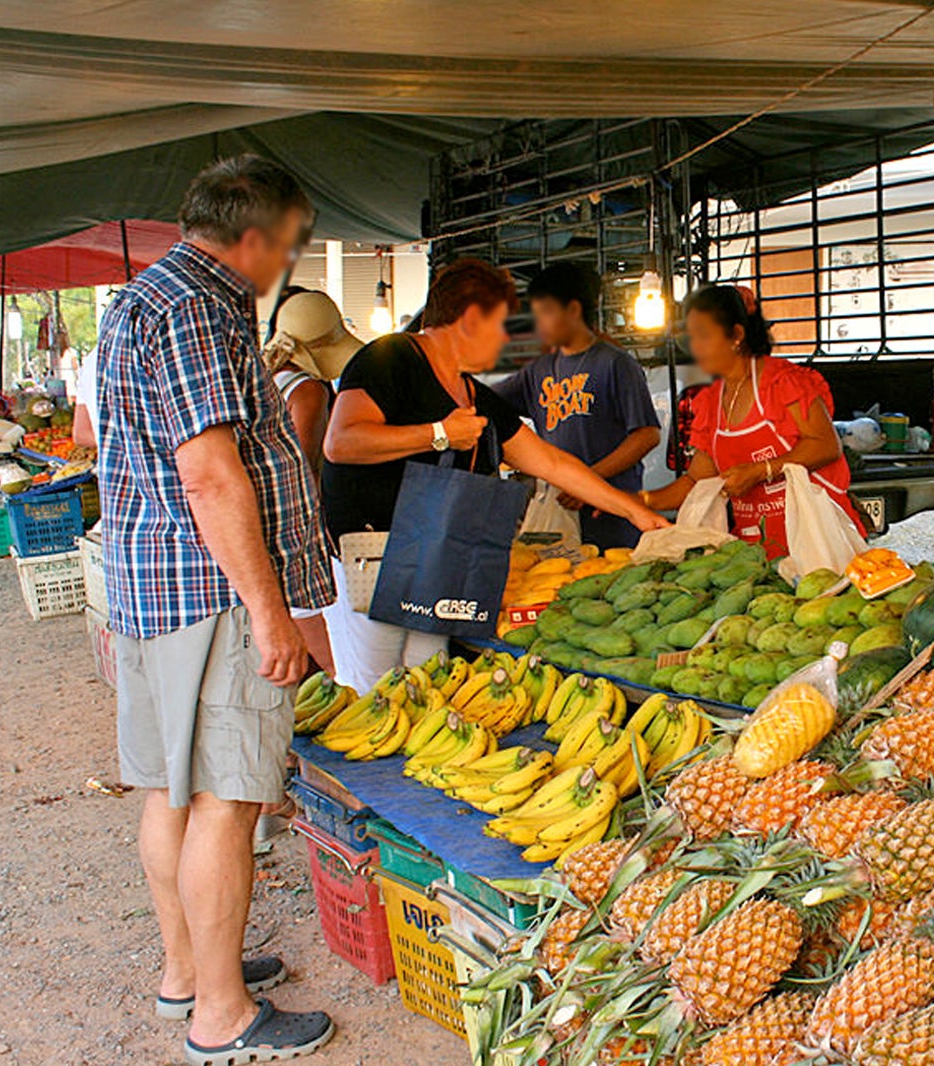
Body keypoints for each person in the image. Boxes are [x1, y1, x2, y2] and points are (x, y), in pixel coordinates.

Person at [95, 155, 335, 1065]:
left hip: (152, 586)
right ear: (254, 237)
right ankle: (223, 1018)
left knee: (169, 789)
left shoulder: (141, 295)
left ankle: (188, 971)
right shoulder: (199, 307)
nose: (285, 264)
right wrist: (270, 613)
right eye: (288, 244)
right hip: (213, 593)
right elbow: (209, 471)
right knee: (229, 801)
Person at [321, 258, 668, 688]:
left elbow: (551, 462)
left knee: (427, 684)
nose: (506, 338)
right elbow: (342, 443)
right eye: (501, 324)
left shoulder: (477, 396)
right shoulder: (388, 359)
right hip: (373, 560)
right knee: (372, 691)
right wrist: (439, 433)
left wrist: (634, 511)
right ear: (470, 319)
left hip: (435, 564)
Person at [643, 284, 863, 559]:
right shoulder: (711, 400)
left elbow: (826, 445)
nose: (696, 348)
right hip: (757, 554)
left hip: (819, 546)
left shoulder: (783, 382)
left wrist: (761, 471)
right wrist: (640, 501)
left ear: (736, 335)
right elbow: (697, 480)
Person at [495, 262, 661, 549]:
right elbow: (488, 401)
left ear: (573, 310)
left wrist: (588, 482)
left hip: (613, 515)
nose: (539, 324)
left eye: (546, 312)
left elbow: (647, 435)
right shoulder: (538, 368)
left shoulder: (615, 364)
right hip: (560, 513)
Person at [261, 287, 362, 676]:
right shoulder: (307, 390)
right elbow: (302, 467)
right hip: (297, 532)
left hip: (265, 529)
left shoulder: (267, 378)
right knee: (326, 651)